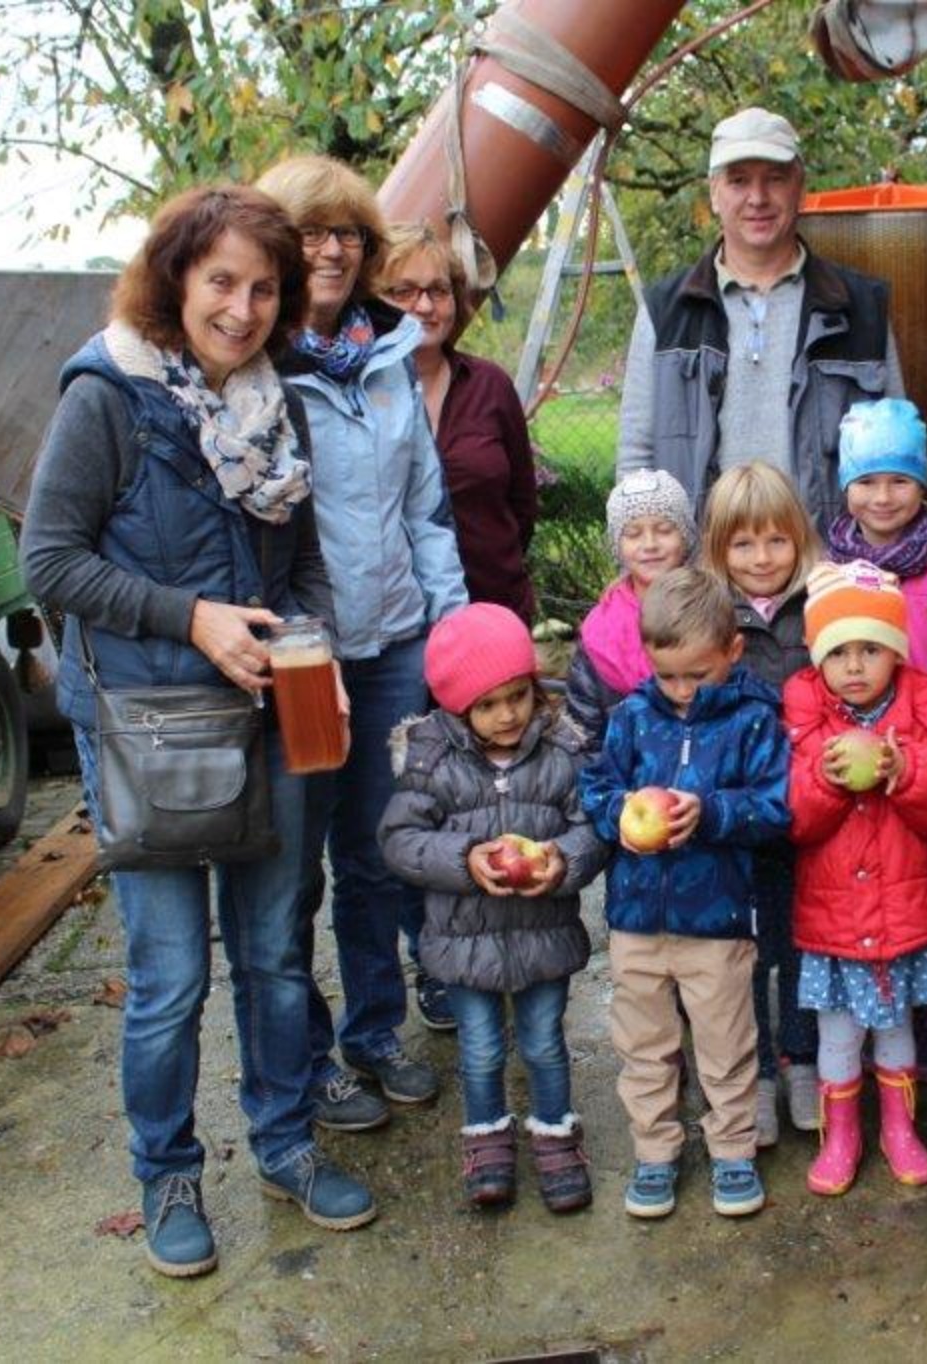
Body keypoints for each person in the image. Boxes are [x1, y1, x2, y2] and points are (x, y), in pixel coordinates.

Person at [21, 185, 376, 1276]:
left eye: (264, 287)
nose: (242, 306)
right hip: (152, 726)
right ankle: (167, 1168)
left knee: (273, 954)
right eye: (221, 280)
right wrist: (188, 616)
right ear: (175, 277)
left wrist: (317, 644)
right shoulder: (110, 396)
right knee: (171, 974)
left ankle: (282, 1140)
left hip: (270, 718)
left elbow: (301, 556)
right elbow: (49, 560)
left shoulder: (283, 404)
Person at [255, 155, 470, 1117]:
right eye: (309, 232)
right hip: (302, 657)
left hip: (390, 648)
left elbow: (425, 510)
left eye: (346, 232)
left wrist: (450, 632)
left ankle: (375, 1030)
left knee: (381, 853)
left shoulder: (387, 358)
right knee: (293, 870)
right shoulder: (257, 366)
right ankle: (306, 1062)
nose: (332, 248)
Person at [378, 603, 608, 1212]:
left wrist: (564, 859)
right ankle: (487, 1140)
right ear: (457, 707)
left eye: (518, 696)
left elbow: (594, 826)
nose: (507, 715)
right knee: (479, 1049)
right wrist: (466, 858)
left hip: (543, 933)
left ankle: (556, 1134)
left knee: (543, 1044)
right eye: (488, 704)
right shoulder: (430, 761)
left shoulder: (563, 752)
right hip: (462, 942)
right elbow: (399, 841)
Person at [580, 567, 790, 1220]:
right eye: (666, 674)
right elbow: (595, 789)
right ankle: (655, 1151)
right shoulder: (634, 718)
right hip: (638, 921)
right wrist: (622, 816)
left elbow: (775, 808)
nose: (679, 690)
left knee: (727, 1044)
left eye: (695, 675)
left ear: (732, 651)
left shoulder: (756, 720)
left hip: (718, 921)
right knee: (643, 1046)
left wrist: (712, 813)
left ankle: (732, 1150)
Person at [785, 561, 927, 1195]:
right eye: (838, 651)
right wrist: (826, 778)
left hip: (906, 908)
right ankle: (840, 1133)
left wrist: (906, 768)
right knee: (838, 1033)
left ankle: (900, 1128)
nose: (854, 665)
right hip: (834, 915)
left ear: (896, 649)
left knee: (898, 1026)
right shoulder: (802, 704)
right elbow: (791, 817)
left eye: (870, 648)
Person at [615, 106, 904, 530]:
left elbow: (898, 452)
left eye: (775, 178)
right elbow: (637, 461)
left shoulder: (858, 308)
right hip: (702, 582)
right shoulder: (665, 312)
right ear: (714, 194)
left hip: (828, 575)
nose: (757, 198)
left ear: (799, 188)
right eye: (738, 181)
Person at [699, 461, 822, 1145]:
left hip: (809, 811)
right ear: (719, 551)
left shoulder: (821, 603)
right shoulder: (712, 615)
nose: (762, 559)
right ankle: (758, 1076)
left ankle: (802, 1060)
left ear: (799, 539)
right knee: (749, 948)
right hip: (740, 817)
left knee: (804, 941)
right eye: (743, 545)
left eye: (776, 541)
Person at [380, 221, 541, 621]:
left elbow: (522, 506)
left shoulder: (490, 386)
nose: (425, 306)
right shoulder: (360, 395)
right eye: (404, 292)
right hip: (401, 626)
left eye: (438, 290)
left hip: (495, 610)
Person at [824, 398, 927, 672]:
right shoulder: (831, 570)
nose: (883, 498)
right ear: (845, 487)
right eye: (865, 482)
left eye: (900, 481)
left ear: (921, 486)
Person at [566, 469, 697, 753]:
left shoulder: (712, 609)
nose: (649, 544)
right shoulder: (600, 631)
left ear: (685, 534)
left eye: (664, 529)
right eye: (633, 533)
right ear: (617, 545)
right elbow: (585, 739)